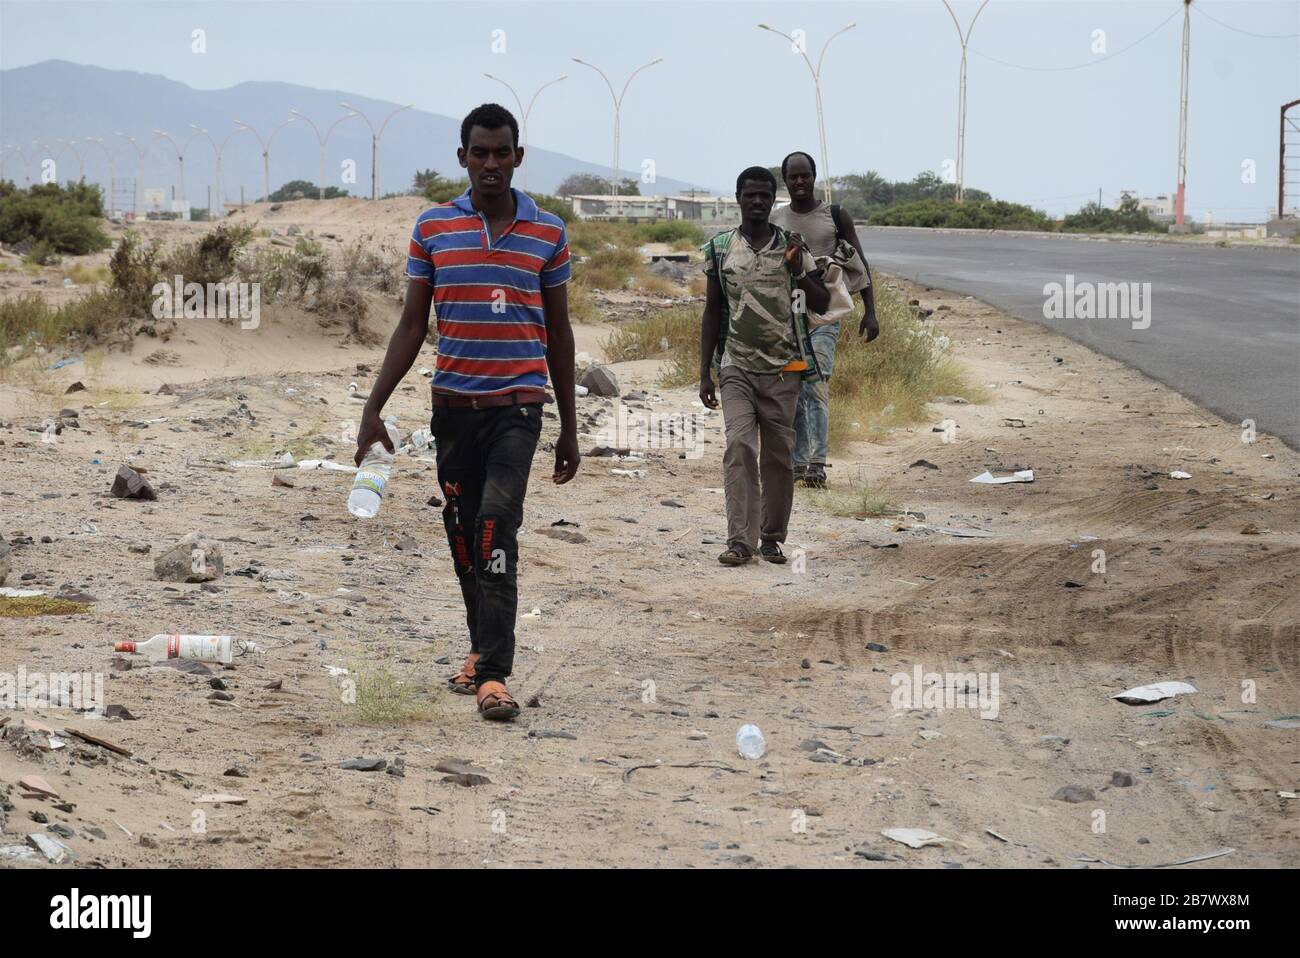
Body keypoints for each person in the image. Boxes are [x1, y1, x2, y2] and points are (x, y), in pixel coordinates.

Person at [354, 103, 579, 721]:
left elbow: (559, 337)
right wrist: (373, 408)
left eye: (502, 152)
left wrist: (569, 428)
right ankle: (482, 651)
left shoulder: (548, 232)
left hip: (518, 410)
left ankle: (494, 675)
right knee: (463, 536)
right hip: (452, 410)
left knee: (495, 526)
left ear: (518, 157)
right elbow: (409, 326)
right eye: (479, 152)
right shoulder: (433, 228)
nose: (490, 164)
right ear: (462, 158)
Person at [699, 166, 830, 566]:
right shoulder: (720, 247)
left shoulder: (793, 245)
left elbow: (821, 302)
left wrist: (796, 271)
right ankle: (740, 541)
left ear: (773, 201)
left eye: (764, 195)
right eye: (749, 195)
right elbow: (713, 309)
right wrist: (705, 369)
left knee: (777, 456)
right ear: (738, 198)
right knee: (739, 446)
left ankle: (771, 537)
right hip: (735, 365)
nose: (757, 201)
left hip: (785, 368)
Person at [770, 151, 879, 489]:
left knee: (816, 380)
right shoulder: (776, 219)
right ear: (785, 180)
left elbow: (859, 261)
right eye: (793, 176)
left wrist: (870, 312)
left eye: (805, 175)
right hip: (787, 316)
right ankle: (799, 462)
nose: (799, 181)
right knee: (794, 385)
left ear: (814, 177)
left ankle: (816, 462)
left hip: (825, 311)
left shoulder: (834, 215)